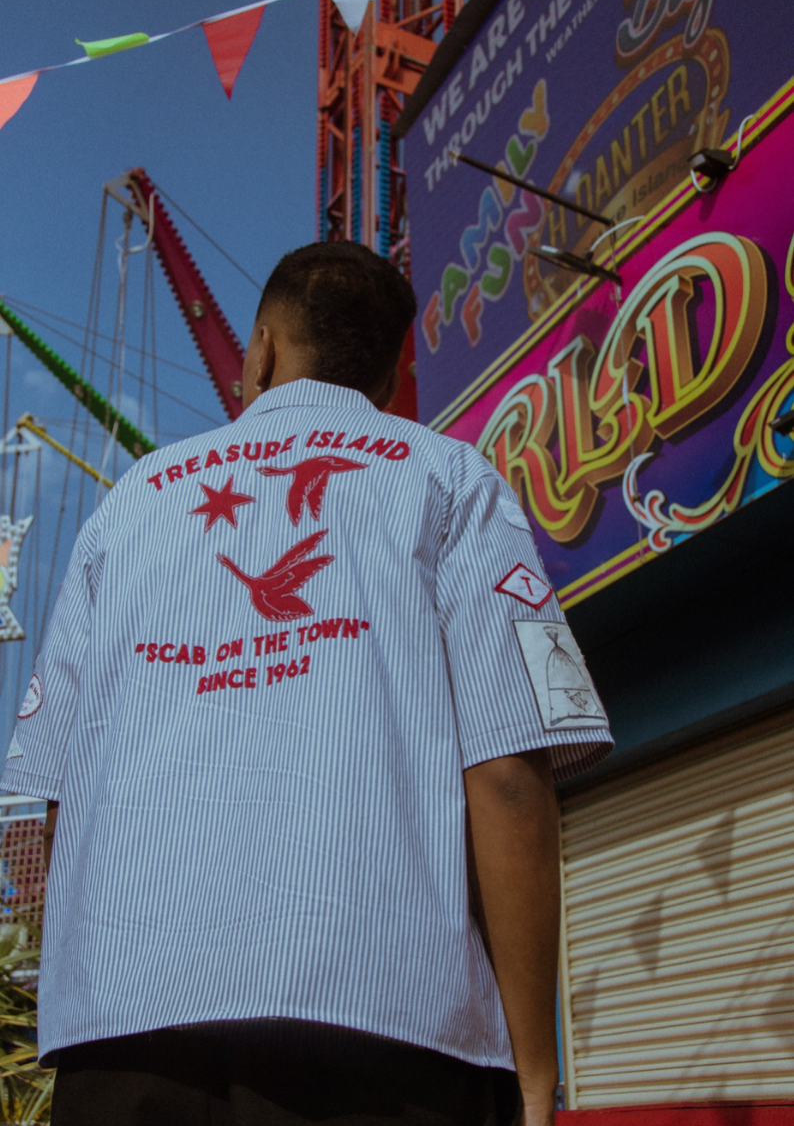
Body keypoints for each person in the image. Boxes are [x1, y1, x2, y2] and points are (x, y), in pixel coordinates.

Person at [1, 241, 613, 1126]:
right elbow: (510, 776)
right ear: (392, 373)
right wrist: (533, 1070)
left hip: (126, 1042)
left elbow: (60, 793)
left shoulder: (131, 502)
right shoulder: (448, 479)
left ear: (261, 351)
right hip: (387, 1034)